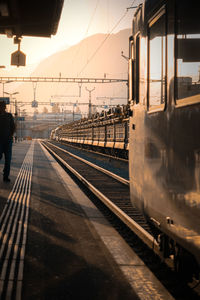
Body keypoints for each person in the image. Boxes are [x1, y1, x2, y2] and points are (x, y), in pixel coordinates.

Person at [0, 101, 15, 182]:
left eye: (2, 107)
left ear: (4, 107)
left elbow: (13, 126)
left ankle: (6, 176)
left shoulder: (9, 116)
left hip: (8, 141)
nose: (1, 108)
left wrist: (10, 135)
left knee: (8, 159)